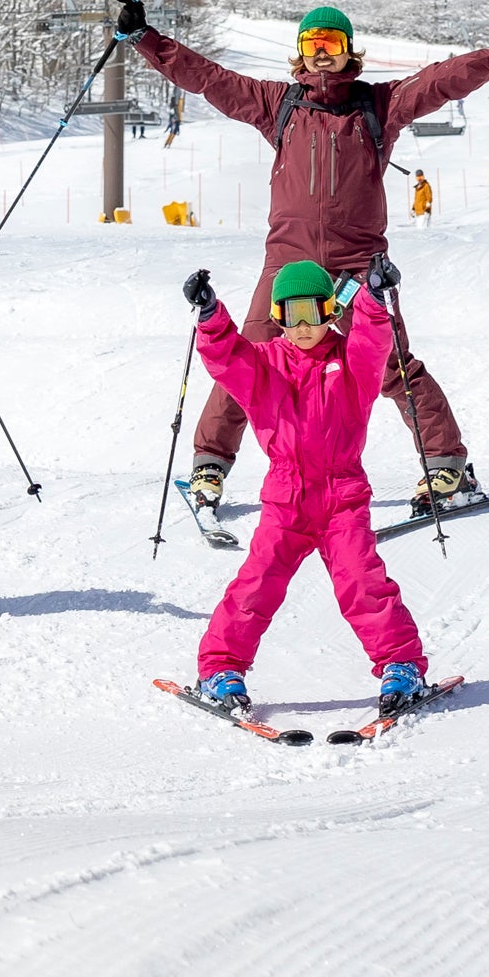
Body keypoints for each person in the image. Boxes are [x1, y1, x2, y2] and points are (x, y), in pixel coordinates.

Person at [115, 0, 489, 515]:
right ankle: (210, 464)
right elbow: (207, 78)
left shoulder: (378, 106)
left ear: (351, 53)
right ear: (299, 54)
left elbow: (442, 80)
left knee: (390, 365)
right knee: (245, 358)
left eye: (333, 45)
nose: (322, 56)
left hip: (356, 267)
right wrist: (145, 39)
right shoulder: (277, 104)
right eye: (312, 45)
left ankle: (445, 465)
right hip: (288, 267)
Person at [182, 255, 430, 717]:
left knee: (363, 583)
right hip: (285, 500)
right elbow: (225, 356)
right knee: (256, 585)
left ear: (330, 310)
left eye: (311, 313)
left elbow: (372, 343)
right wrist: (210, 313)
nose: (300, 326)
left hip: (342, 497)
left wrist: (376, 299)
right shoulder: (264, 364)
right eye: (289, 315)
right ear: (277, 318)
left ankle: (401, 664)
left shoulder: (350, 363)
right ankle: (220, 667)